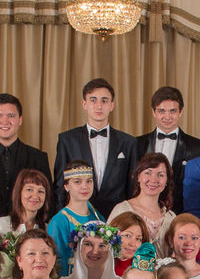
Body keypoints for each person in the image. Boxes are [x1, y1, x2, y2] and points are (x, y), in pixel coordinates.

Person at [54, 79, 141, 215]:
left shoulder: (128, 142)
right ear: (84, 104)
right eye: (93, 100)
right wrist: (62, 216)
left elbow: (133, 187)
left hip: (117, 216)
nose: (99, 106)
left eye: (104, 101)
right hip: (77, 215)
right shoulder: (67, 140)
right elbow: (60, 185)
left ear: (112, 105)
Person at [136, 86, 200, 214]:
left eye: (172, 111)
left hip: (182, 214)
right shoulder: (137, 144)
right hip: (143, 212)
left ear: (181, 112)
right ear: (153, 112)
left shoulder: (197, 147)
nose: (167, 116)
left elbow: (199, 189)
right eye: (161, 111)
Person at [48, 163, 105, 276]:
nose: (85, 186)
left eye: (89, 181)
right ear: (66, 186)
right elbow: (58, 262)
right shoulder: (59, 221)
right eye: (77, 182)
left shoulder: (98, 216)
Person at [109, 153, 174, 245]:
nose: (153, 180)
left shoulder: (171, 217)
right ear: (138, 176)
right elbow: (107, 246)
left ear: (167, 180)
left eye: (160, 175)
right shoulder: (122, 209)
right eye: (148, 173)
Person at [0, 169, 55, 236]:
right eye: (29, 189)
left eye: (40, 191)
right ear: (19, 192)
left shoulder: (49, 229)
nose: (35, 196)